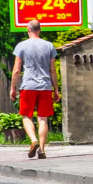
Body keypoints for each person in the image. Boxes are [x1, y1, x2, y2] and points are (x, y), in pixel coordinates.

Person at [9, 19, 59, 159]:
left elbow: (16, 70)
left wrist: (13, 87)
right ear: (40, 30)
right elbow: (52, 70)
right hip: (45, 87)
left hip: (28, 86)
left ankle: (33, 140)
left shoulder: (21, 46)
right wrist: (56, 89)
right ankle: (42, 150)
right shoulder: (49, 46)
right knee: (43, 118)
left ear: (28, 29)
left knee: (26, 116)